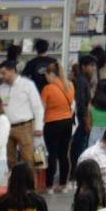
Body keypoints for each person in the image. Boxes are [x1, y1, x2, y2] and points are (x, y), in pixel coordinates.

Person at [0, 55, 43, 168]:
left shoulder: (27, 85)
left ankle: (31, 185)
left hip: (25, 127)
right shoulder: (0, 89)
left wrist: (39, 128)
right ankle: (13, 184)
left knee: (29, 160)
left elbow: (37, 107)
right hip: (6, 128)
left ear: (12, 71)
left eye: (3, 73)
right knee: (8, 160)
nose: (1, 76)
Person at [39, 59, 74, 189]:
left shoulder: (48, 88)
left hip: (52, 123)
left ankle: (49, 185)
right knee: (64, 154)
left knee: (52, 154)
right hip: (68, 122)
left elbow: (41, 108)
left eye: (46, 75)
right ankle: (63, 183)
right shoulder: (70, 85)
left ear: (50, 74)